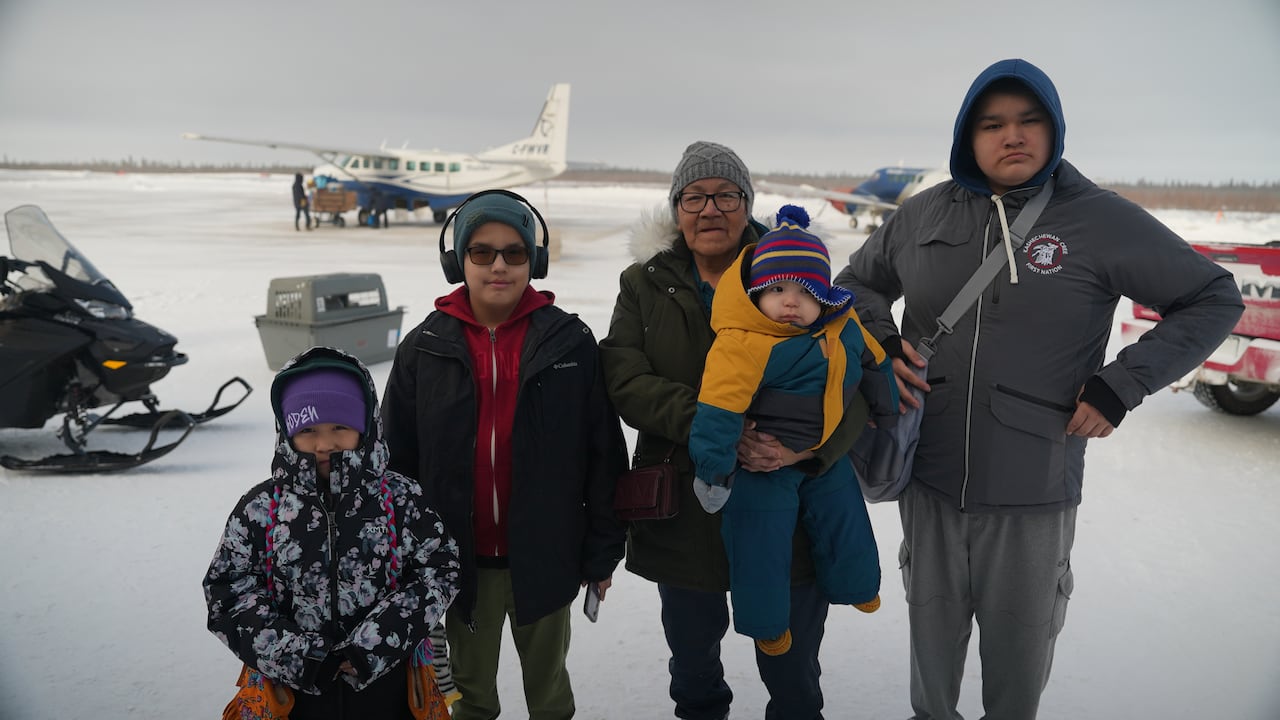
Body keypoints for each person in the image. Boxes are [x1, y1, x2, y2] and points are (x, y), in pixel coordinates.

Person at [833, 58, 1245, 719]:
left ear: (1054, 130)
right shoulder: (923, 214)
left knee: (1018, 666)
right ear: (968, 138)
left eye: (1029, 121)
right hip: (929, 479)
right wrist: (880, 344)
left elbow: (1213, 295)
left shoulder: (1099, 219)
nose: (1011, 136)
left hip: (1035, 489)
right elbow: (856, 283)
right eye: (992, 124)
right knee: (930, 655)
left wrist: (1123, 383)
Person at [600, 141, 869, 720]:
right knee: (694, 665)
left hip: (783, 498)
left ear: (747, 205)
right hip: (684, 502)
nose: (709, 209)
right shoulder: (644, 282)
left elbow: (853, 379)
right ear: (677, 210)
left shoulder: (798, 270)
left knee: (793, 669)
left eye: (726, 195)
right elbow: (625, 376)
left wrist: (803, 450)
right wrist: (712, 421)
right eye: (694, 197)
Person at [381, 190, 628, 720]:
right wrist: (401, 553)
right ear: (459, 261)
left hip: (546, 556)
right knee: (468, 696)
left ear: (533, 261)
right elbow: (395, 462)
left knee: (549, 692)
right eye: (482, 252)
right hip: (457, 563)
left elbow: (604, 453)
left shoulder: (570, 341)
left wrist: (603, 550)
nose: (499, 265)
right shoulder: (423, 347)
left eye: (515, 253)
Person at [204, 346, 462, 718]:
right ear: (287, 430)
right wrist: (299, 656)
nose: (324, 443)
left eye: (340, 426)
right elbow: (228, 590)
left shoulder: (402, 498)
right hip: (293, 692)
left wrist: (371, 645)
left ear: (366, 426)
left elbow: (439, 571)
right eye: (308, 430)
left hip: (387, 689)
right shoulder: (261, 508)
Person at [689, 204, 897, 656]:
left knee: (846, 519)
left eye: (805, 292)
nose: (790, 301)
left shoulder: (842, 325)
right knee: (758, 540)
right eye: (777, 289)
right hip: (761, 463)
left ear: (822, 297)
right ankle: (765, 623)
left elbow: (875, 363)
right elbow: (718, 412)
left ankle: (857, 584)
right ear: (756, 294)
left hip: (820, 454)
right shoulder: (743, 343)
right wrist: (714, 470)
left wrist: (888, 408)